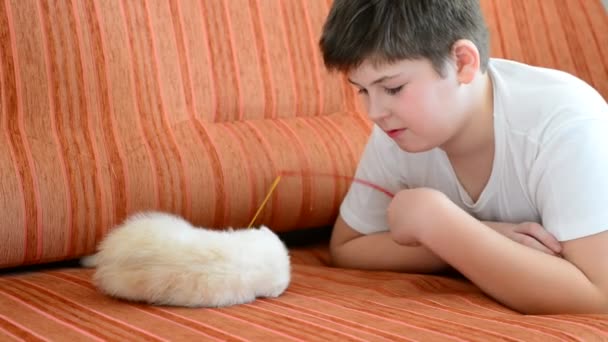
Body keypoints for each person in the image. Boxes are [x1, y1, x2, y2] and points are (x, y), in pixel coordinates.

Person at [318, 0, 608, 314]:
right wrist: (471, 236)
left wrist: (435, 221)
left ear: (462, 63)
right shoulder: (398, 133)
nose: (374, 113)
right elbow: (347, 247)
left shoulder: (565, 123)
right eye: (361, 90)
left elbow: (598, 295)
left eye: (393, 88)